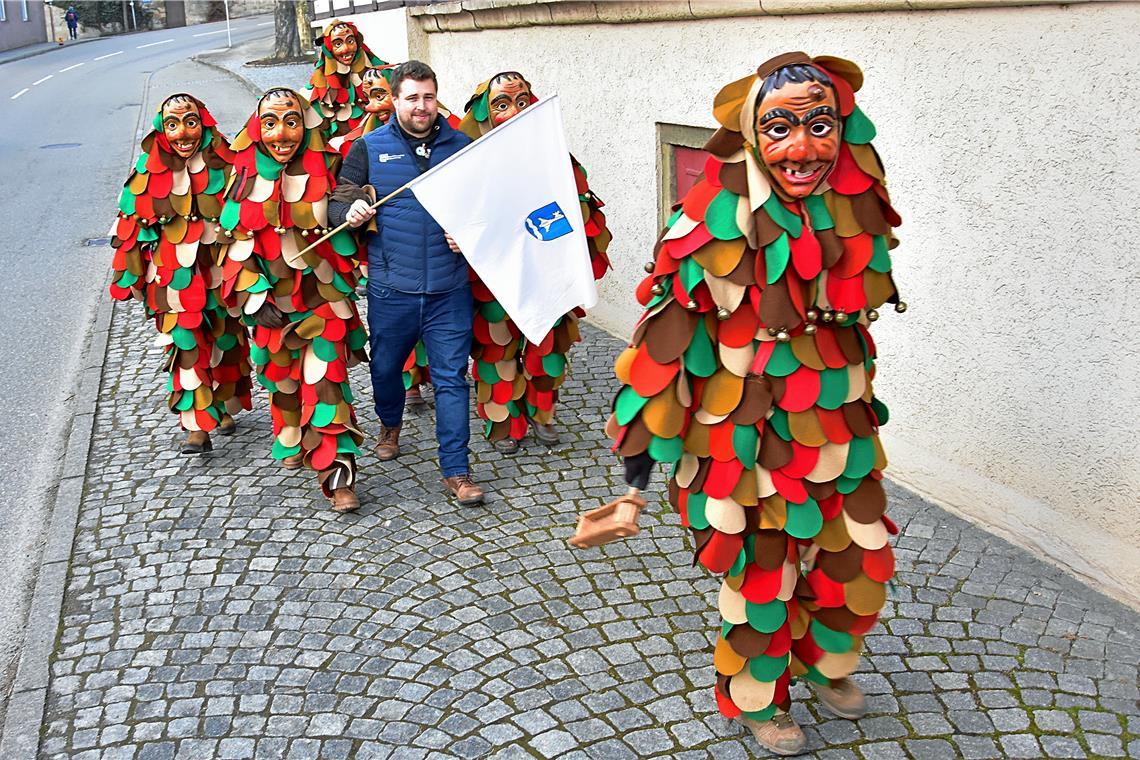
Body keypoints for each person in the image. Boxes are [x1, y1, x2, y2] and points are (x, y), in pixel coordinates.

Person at [589, 53, 906, 756]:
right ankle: (759, 698)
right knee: (764, 573)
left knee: (857, 554)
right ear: (751, 135)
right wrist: (635, 484)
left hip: (836, 424)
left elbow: (860, 306)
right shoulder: (709, 223)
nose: (802, 148)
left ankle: (826, 663)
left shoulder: (855, 206)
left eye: (820, 125)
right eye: (781, 127)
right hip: (740, 436)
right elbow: (661, 351)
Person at [328, 60, 485, 507]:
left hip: (448, 291)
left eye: (429, 97)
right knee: (384, 370)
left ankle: (457, 471)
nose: (422, 106)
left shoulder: (462, 146)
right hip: (390, 289)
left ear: (438, 98)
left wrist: (471, 233)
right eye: (412, 97)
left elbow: (486, 207)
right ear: (394, 100)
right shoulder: (368, 149)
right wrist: (350, 214)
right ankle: (390, 422)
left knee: (452, 380)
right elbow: (338, 203)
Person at [217, 88, 368, 513]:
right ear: (257, 128)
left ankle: (339, 477)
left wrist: (352, 212)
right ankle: (295, 438)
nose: (281, 133)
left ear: (305, 125)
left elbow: (343, 209)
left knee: (326, 388)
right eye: (270, 123)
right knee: (283, 385)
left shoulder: (329, 167)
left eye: (291, 121)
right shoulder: (242, 175)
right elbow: (232, 245)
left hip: (323, 300)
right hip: (270, 305)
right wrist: (252, 293)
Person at [456, 71, 612, 454]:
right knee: (498, 347)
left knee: (548, 347)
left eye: (522, 101)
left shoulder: (557, 157)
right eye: (502, 104)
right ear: (486, 113)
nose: (514, 111)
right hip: (495, 275)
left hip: (548, 268)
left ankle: (543, 413)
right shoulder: (467, 165)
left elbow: (578, 209)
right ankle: (504, 420)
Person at [109, 93, 252, 455]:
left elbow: (245, 209)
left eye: (190, 122)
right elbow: (131, 225)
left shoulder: (224, 163)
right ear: (161, 130)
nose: (182, 133)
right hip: (172, 274)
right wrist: (129, 273)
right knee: (185, 345)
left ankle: (222, 403)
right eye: (172, 124)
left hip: (219, 266)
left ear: (202, 124)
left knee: (226, 338)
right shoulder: (148, 169)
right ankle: (196, 425)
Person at [304, 19, 387, 141]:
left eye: (350, 41)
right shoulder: (320, 85)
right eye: (338, 44)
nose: (346, 49)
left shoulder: (380, 73)